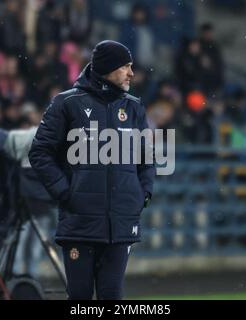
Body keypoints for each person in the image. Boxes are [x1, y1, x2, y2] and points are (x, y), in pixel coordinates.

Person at [29, 40, 155, 300]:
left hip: (121, 223)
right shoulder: (66, 103)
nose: (131, 73)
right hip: (80, 223)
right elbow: (40, 153)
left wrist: (142, 194)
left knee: (112, 296)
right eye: (125, 67)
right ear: (107, 69)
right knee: (80, 298)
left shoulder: (133, 107)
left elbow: (147, 158)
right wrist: (66, 193)